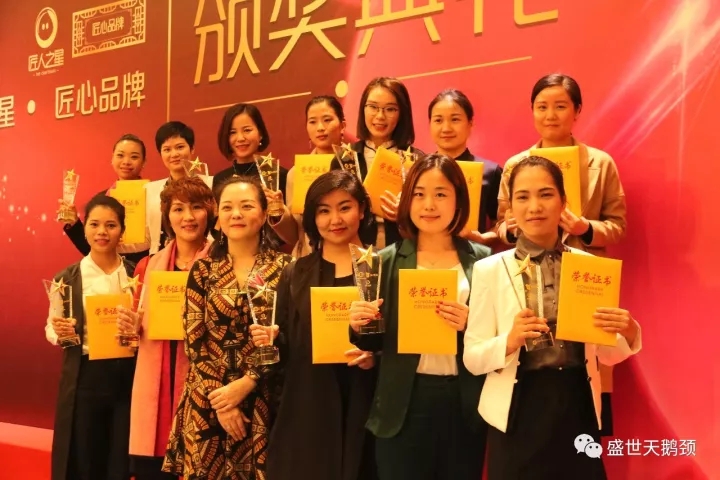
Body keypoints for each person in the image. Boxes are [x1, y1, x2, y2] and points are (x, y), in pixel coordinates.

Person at [464, 156, 641, 479]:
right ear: (510, 209)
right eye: (523, 197)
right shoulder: (489, 270)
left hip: (577, 403)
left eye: (546, 194)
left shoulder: (588, 267)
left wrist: (628, 332)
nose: (535, 207)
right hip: (516, 409)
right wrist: (509, 341)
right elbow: (473, 358)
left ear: (563, 202)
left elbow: (606, 354)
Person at [495, 73, 628, 434]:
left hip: (585, 279)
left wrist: (585, 227)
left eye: (560, 106)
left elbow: (618, 225)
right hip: (529, 277)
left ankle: (585, 439)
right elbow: (501, 224)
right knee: (531, 363)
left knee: (588, 368)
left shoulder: (600, 163)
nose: (550, 115)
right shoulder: (516, 164)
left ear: (577, 110)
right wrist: (517, 226)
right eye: (542, 107)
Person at [349, 154, 489, 480]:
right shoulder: (386, 260)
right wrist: (358, 324)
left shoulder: (482, 260)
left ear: (458, 200)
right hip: (404, 402)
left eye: (440, 194)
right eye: (419, 194)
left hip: (463, 400)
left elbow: (497, 335)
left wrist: (472, 325)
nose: (429, 205)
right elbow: (372, 340)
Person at [162, 176, 293, 480]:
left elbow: (288, 337)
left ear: (264, 213)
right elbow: (194, 341)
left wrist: (247, 382)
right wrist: (221, 401)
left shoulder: (286, 268)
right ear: (218, 218)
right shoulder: (203, 269)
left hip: (264, 396)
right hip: (210, 397)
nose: (236, 214)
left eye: (246, 206)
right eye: (227, 207)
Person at [250, 170, 378, 480]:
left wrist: (376, 357)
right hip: (309, 408)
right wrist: (271, 338)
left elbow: (401, 342)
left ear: (362, 210)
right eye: (324, 210)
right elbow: (285, 345)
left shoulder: (382, 267)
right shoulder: (295, 273)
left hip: (366, 404)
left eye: (345, 207)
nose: (335, 219)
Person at [118, 177, 215, 480]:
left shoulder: (222, 262)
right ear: (167, 216)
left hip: (205, 379)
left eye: (196, 207)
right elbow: (133, 338)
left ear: (209, 212)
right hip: (158, 381)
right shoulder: (148, 266)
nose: (188, 217)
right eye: (178, 209)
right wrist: (133, 328)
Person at [45, 195, 138, 480]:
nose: (102, 232)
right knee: (85, 455)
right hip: (85, 376)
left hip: (129, 376)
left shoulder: (137, 274)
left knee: (120, 458)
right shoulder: (66, 278)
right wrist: (60, 332)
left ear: (122, 230)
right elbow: (50, 327)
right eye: (95, 224)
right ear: (84, 229)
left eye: (111, 225)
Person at [330, 77, 423, 249]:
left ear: (402, 113)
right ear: (363, 109)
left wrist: (406, 213)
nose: (380, 116)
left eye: (390, 109)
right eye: (373, 107)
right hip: (354, 250)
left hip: (405, 249)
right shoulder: (344, 158)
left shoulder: (416, 160)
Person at [269, 95, 353, 257]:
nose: (320, 127)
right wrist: (279, 211)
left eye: (327, 120)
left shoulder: (356, 164)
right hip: (309, 258)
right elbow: (295, 235)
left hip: (351, 256)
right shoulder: (296, 173)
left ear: (342, 125)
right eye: (313, 122)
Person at [428, 89, 503, 248]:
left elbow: (502, 223)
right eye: (438, 120)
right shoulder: (418, 170)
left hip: (472, 255)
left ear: (470, 124)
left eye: (455, 119)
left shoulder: (490, 171)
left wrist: (483, 238)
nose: (446, 128)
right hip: (424, 254)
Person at [58, 133, 150, 264]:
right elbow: (89, 248)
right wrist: (73, 222)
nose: (126, 162)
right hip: (109, 267)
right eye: (120, 155)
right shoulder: (101, 200)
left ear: (144, 162)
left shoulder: (156, 196)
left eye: (134, 157)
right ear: (112, 159)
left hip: (147, 266)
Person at [145, 121, 213, 254]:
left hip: (205, 256)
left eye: (180, 147)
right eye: (167, 149)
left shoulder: (211, 184)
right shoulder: (149, 190)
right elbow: (146, 239)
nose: (174, 154)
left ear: (192, 149)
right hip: (161, 259)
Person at [211, 103, 288, 198]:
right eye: (232, 132)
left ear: (260, 134)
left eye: (247, 130)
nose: (240, 138)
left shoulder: (278, 175)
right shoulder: (220, 179)